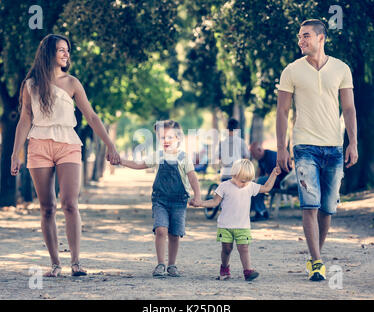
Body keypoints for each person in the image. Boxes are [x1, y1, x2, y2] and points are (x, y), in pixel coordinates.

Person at [10, 34, 121, 277]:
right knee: (47, 207)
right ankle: (55, 265)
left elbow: (91, 116)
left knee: (70, 204)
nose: (66, 54)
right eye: (61, 50)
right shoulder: (30, 85)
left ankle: (76, 262)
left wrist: (110, 145)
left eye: (67, 50)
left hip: (68, 143)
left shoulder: (72, 83)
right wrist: (15, 153)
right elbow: (25, 119)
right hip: (38, 145)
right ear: (49, 53)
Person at [276, 19, 358, 281]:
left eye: (306, 36)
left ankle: (315, 258)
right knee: (309, 206)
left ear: (321, 38)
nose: (301, 41)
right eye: (299, 37)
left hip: (334, 147)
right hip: (304, 147)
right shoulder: (291, 70)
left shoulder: (341, 68)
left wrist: (352, 142)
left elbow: (348, 109)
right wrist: (282, 148)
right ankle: (317, 261)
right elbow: (283, 111)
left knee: (326, 209)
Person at [120, 120, 201, 277]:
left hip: (179, 201)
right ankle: (160, 264)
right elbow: (139, 164)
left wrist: (197, 196)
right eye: (162, 137)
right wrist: (121, 161)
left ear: (178, 138)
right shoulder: (158, 156)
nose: (166, 141)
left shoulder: (184, 157)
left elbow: (192, 177)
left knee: (175, 234)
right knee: (161, 229)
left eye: (170, 137)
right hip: (160, 200)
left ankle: (172, 265)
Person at [191, 159, 281, 281]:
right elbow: (214, 202)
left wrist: (273, 174)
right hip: (226, 226)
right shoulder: (224, 186)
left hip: (243, 226)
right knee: (227, 249)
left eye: (247, 181)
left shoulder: (250, 186)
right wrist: (200, 203)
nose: (244, 183)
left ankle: (248, 271)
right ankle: (224, 268)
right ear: (234, 174)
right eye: (242, 181)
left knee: (244, 248)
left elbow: (266, 188)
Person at [249, 142, 289, 221]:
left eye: (253, 154)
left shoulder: (271, 156)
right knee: (253, 184)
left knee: (258, 182)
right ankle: (258, 211)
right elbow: (260, 174)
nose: (253, 156)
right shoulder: (261, 159)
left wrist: (257, 181)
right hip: (273, 180)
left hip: (282, 180)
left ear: (259, 150)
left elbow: (276, 173)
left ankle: (261, 212)